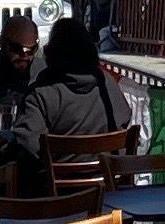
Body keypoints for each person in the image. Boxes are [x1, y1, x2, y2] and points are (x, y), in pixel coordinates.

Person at [7, 18, 129, 181]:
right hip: (110, 187)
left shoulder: (41, 93)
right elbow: (124, 121)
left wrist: (1, 147)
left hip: (59, 193)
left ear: (52, 53)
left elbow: (29, 148)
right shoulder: (107, 84)